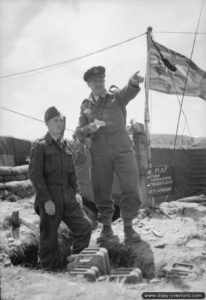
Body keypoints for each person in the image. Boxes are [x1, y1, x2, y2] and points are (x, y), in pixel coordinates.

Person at [75, 66, 144, 243]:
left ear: (104, 81)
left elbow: (128, 92)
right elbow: (78, 133)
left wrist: (133, 82)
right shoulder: (85, 106)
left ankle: (128, 226)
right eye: (95, 82)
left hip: (122, 149)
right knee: (101, 190)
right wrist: (90, 127)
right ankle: (106, 227)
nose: (99, 84)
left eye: (101, 80)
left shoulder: (116, 97)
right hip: (99, 153)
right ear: (89, 85)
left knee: (131, 186)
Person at [29, 106, 92, 270]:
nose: (59, 123)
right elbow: (36, 175)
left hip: (68, 196)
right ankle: (48, 270)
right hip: (51, 196)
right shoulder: (40, 146)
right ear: (47, 124)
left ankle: (75, 262)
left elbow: (72, 175)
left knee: (84, 227)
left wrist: (76, 194)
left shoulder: (66, 146)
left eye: (60, 120)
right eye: (55, 120)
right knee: (49, 237)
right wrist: (46, 199)